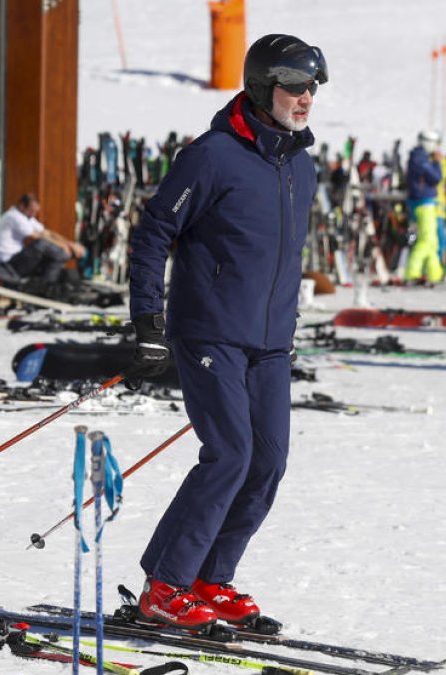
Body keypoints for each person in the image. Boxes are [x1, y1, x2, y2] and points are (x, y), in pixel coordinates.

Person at [125, 33, 326, 630]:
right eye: (294, 86)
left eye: (312, 86)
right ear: (264, 87)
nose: (305, 97)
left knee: (267, 462)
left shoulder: (302, 165)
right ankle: (166, 584)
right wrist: (147, 318)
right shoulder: (212, 155)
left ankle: (212, 579)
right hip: (209, 333)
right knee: (230, 455)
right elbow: (154, 231)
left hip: (269, 344)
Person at [0, 193, 84, 290]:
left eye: (35, 212)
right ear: (22, 206)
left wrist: (70, 244)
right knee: (42, 244)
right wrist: (63, 247)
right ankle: (46, 287)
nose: (33, 215)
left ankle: (48, 284)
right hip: (8, 263)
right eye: (31, 211)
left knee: (50, 250)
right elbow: (36, 236)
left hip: (17, 258)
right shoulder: (14, 217)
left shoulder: (26, 216)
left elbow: (47, 233)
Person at [404, 129, 444, 283]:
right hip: (423, 203)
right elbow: (436, 177)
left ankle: (435, 274)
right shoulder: (419, 158)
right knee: (426, 240)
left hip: (426, 202)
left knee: (433, 241)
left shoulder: (419, 157)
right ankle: (412, 272)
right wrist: (436, 161)